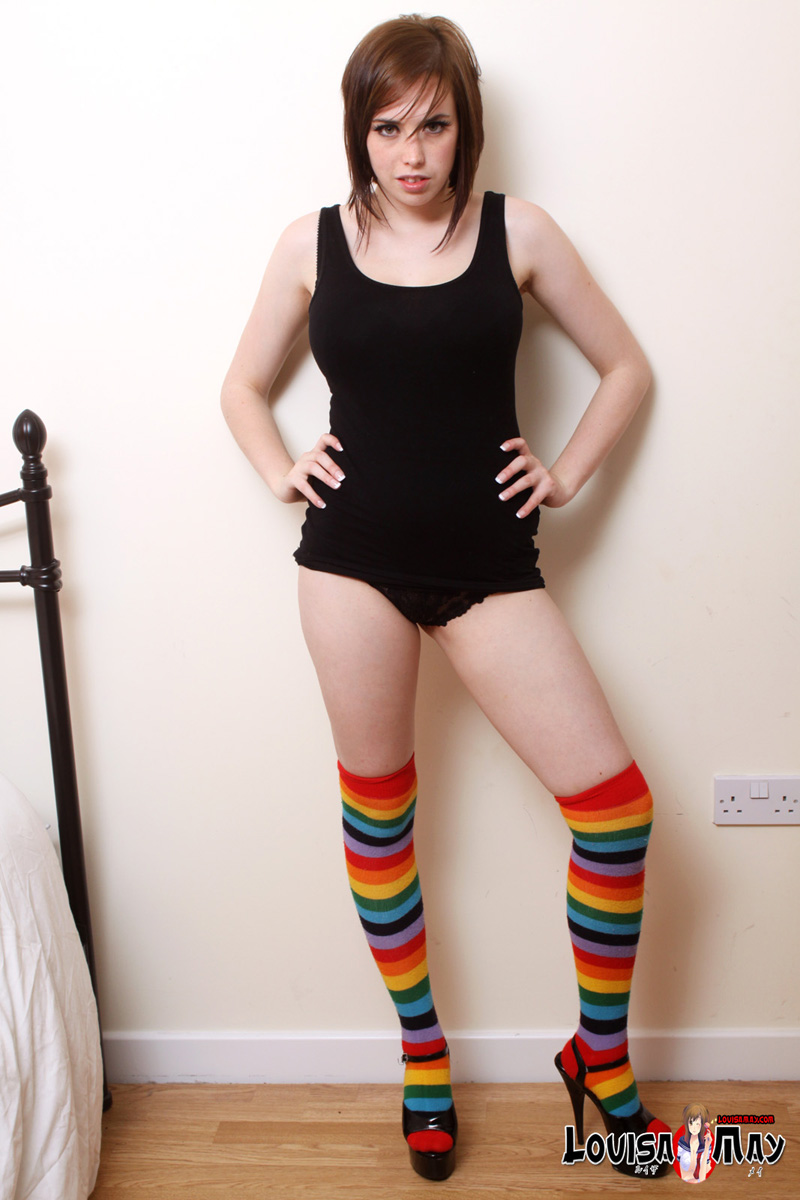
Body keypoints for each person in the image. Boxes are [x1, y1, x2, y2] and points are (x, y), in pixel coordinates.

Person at [221, 13, 669, 1182]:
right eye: (385, 128)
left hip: (487, 568)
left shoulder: (519, 231)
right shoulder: (309, 243)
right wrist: (278, 468)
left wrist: (564, 473)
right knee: (382, 817)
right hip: (349, 565)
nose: (410, 152)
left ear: (464, 125)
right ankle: (423, 1057)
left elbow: (625, 367)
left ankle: (597, 1056)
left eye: (431, 125)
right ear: (356, 132)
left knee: (615, 812)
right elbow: (240, 386)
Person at [677, 1104, 714, 1183]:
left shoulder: (705, 1144)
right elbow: (683, 1175)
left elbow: (703, 1177)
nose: (694, 1128)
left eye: (697, 1124)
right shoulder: (682, 1142)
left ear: (702, 1125)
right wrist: (700, 1172)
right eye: (691, 1123)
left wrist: (707, 1147)